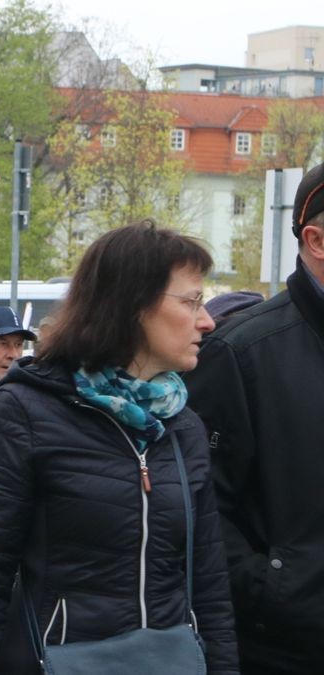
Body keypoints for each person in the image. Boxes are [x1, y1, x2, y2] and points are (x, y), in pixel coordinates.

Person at [0, 222, 238, 673]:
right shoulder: (26, 409)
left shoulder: (182, 424)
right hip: (61, 660)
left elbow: (209, 583)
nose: (206, 320)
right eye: (191, 301)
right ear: (133, 306)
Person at [184, 163, 324, 673]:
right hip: (286, 648)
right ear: (316, 240)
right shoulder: (240, 353)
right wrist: (274, 591)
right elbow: (202, 505)